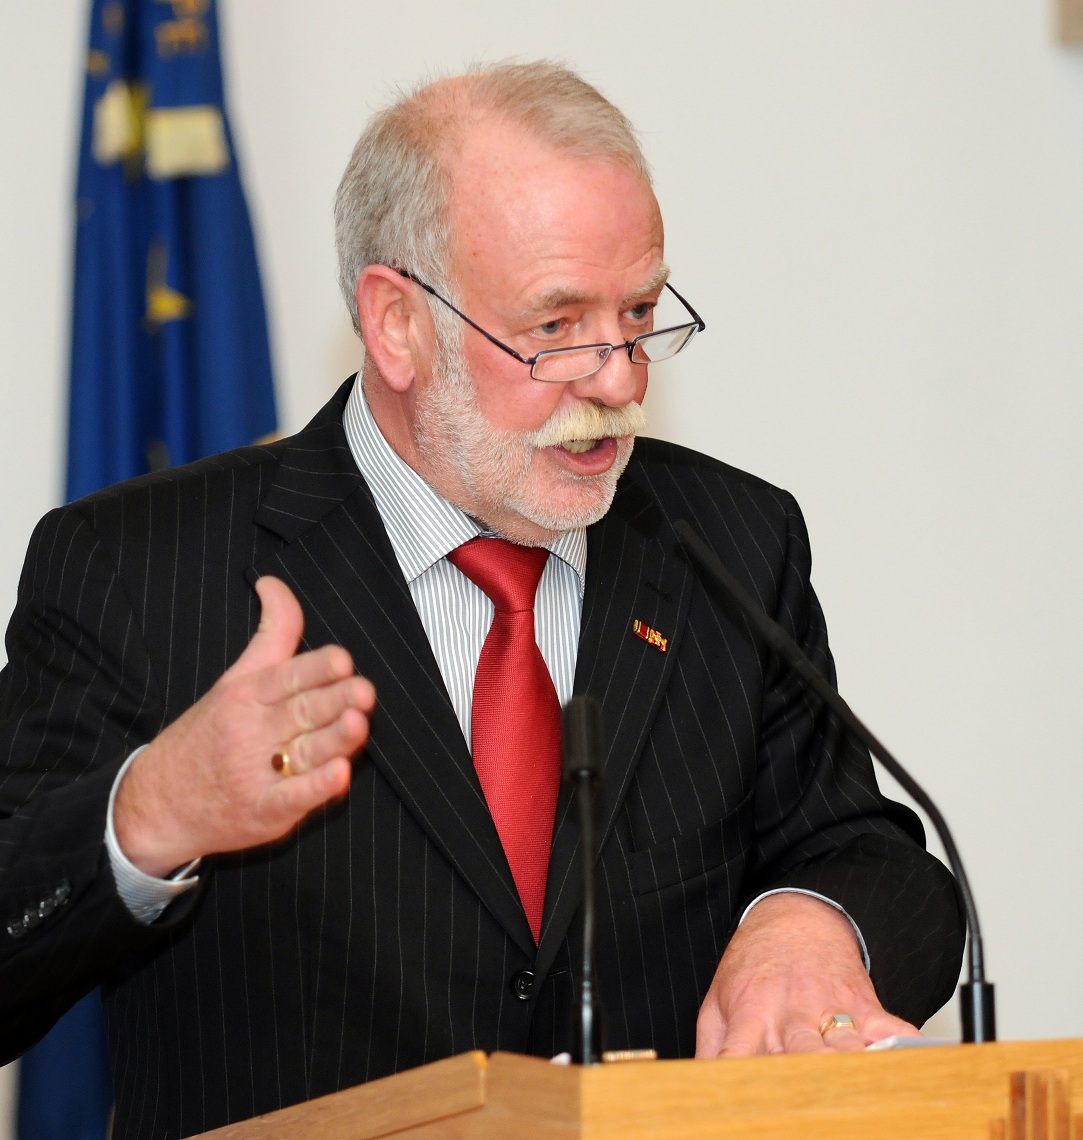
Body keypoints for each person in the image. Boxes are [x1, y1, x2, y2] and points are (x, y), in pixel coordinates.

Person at [0, 61, 964, 1139]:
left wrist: (808, 920)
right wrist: (150, 813)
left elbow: (876, 858)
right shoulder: (139, 570)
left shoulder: (729, 544)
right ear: (397, 324)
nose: (619, 380)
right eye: (556, 326)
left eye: (638, 313)